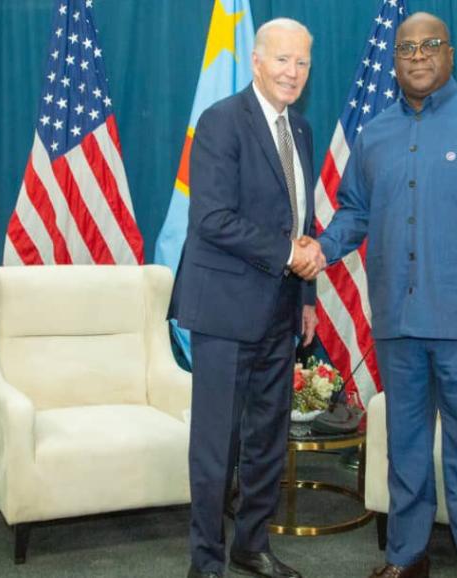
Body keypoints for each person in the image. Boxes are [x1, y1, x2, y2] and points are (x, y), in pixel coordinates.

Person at [316, 12, 457, 578]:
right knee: (406, 450)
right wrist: (319, 250)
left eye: (430, 45)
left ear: (450, 53)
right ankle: (406, 557)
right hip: (397, 323)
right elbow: (355, 213)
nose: (417, 56)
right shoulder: (375, 135)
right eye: (406, 48)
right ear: (393, 61)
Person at [170, 18, 324, 578]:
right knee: (216, 446)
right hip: (224, 312)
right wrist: (289, 256)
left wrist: (305, 293)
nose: (293, 72)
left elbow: (299, 220)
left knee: (266, 440)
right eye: (282, 60)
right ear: (256, 61)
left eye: (303, 62)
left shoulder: (300, 129)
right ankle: (205, 561)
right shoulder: (220, 122)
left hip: (281, 312)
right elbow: (211, 219)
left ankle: (250, 545)